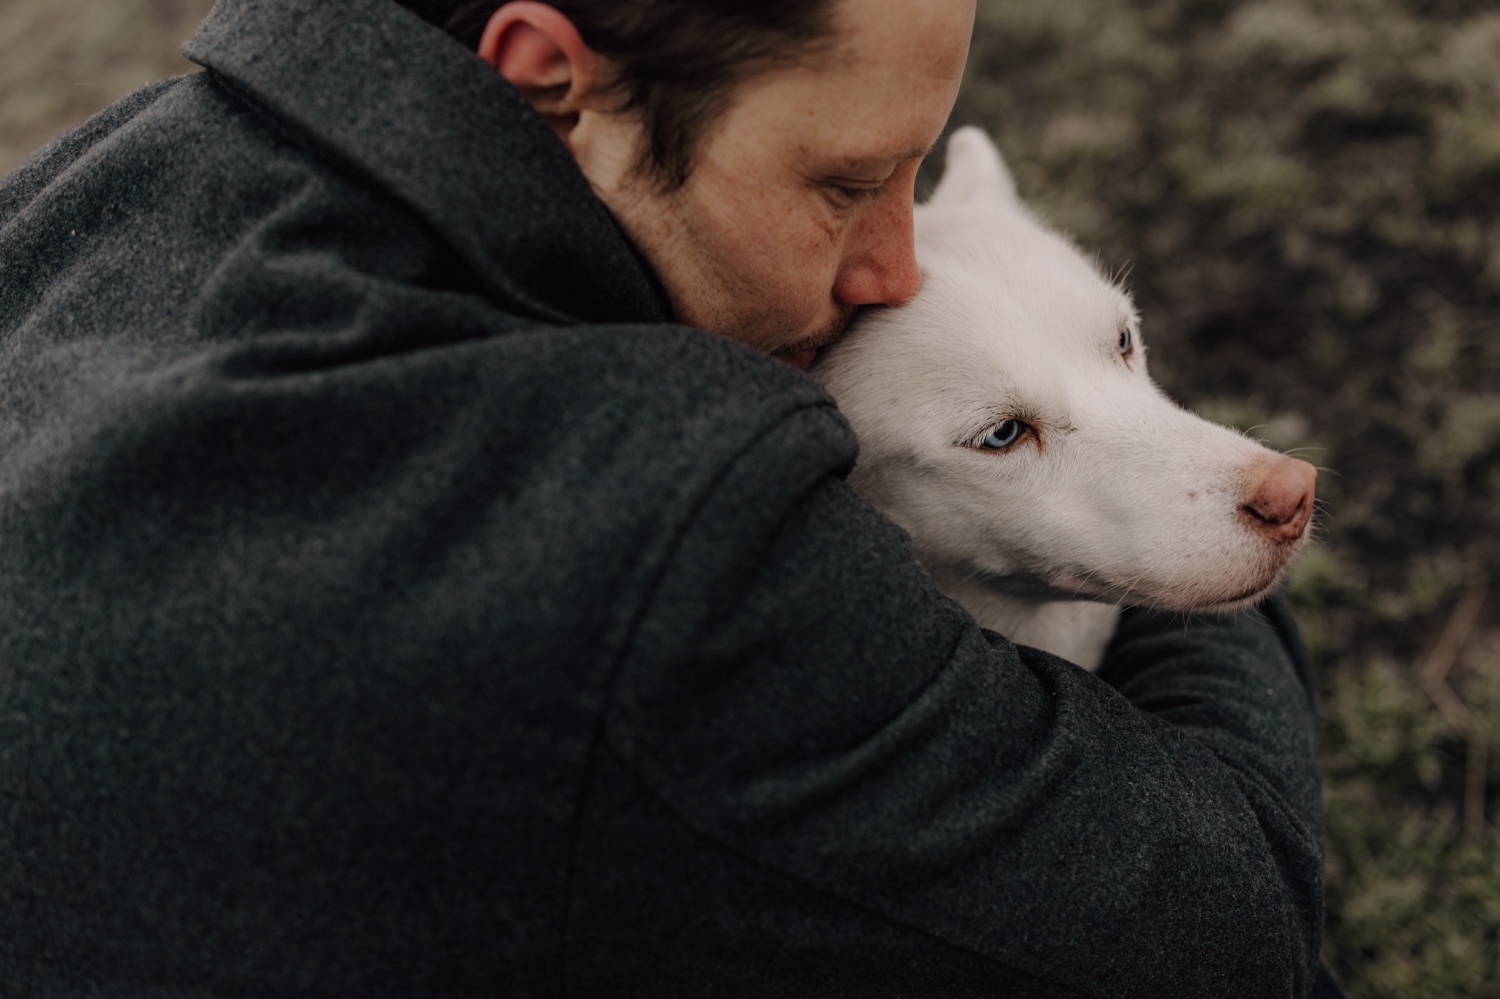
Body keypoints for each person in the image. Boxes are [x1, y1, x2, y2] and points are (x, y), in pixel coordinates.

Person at [0, 0, 1345, 995]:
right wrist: (1175, 528)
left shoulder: (107, 183)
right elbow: (1230, 937)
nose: (894, 265)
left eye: (915, 177)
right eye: (846, 182)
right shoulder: (664, 511)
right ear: (547, 78)